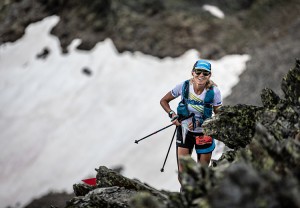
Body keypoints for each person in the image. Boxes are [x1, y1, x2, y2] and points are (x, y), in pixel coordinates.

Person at [160, 60, 222, 184]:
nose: (201, 75)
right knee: (183, 175)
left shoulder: (214, 92)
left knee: (202, 175)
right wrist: (172, 114)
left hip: (204, 133)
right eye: (198, 72)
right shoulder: (183, 87)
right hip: (184, 131)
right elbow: (164, 101)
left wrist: (200, 123)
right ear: (192, 73)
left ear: (209, 75)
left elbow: (220, 117)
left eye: (205, 73)